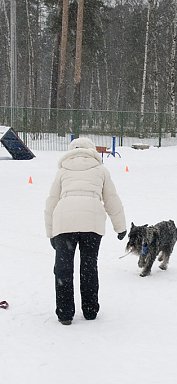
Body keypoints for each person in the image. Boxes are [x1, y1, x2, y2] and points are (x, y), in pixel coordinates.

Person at [44, 137, 127, 325]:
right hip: (92, 223)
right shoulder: (101, 170)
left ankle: (65, 313)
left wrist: (50, 232)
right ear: (92, 151)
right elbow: (112, 199)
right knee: (89, 266)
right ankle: (90, 310)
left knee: (63, 269)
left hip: (64, 224)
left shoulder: (62, 171)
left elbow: (51, 202)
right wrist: (120, 227)